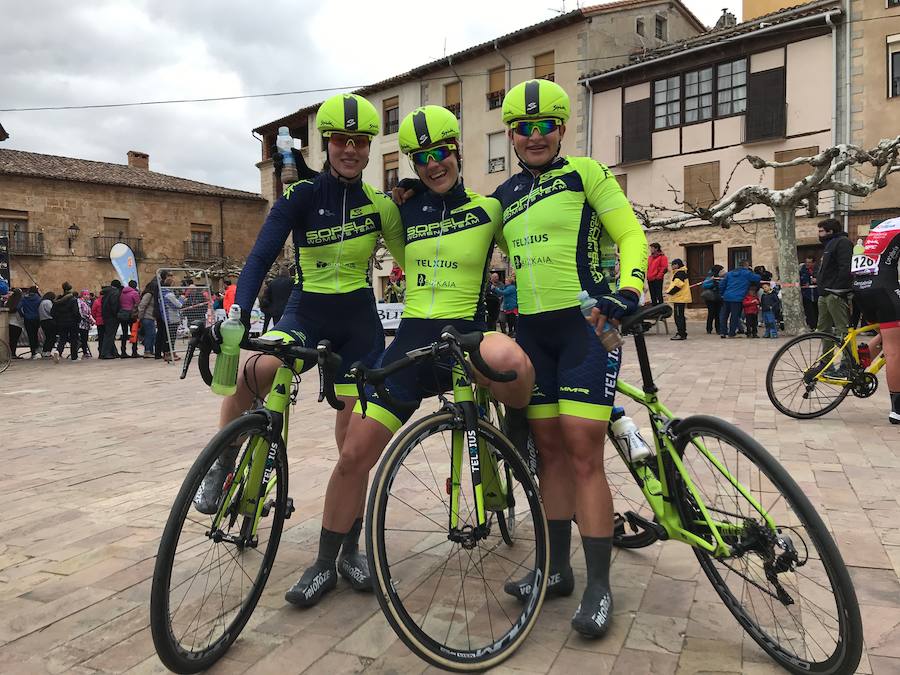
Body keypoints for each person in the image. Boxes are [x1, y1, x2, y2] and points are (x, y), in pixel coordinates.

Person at [282, 104, 533, 609]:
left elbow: (533, 253)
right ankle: (326, 562)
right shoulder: (401, 209)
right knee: (354, 455)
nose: (433, 164)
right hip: (411, 347)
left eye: (441, 153)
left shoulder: (490, 211)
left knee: (517, 368)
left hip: (466, 340)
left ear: (457, 152)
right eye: (421, 158)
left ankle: (521, 436)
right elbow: (353, 199)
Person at [192, 94, 406, 604]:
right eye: (341, 140)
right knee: (257, 371)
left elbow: (409, 260)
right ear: (327, 144)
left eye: (360, 142)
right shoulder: (302, 194)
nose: (350, 150)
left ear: (369, 147)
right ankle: (222, 463)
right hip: (306, 312)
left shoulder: (381, 206)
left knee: (353, 444)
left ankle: (348, 549)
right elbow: (261, 254)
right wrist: (236, 312)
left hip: (359, 325)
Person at [492, 80, 649, 638]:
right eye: (522, 128)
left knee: (584, 451)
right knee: (549, 453)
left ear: (561, 129)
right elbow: (455, 227)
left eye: (545, 126)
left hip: (588, 328)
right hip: (534, 334)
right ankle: (555, 570)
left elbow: (631, 233)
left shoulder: (585, 173)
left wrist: (629, 289)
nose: (534, 137)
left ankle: (600, 585)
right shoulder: (504, 194)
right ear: (510, 134)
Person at [850, 216, 900, 423]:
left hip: (862, 288)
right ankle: (897, 410)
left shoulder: (885, 225)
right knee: (894, 350)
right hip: (882, 288)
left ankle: (856, 369)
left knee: (887, 335)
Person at [815, 218, 853, 346]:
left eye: (821, 231)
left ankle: (847, 363)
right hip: (824, 293)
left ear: (830, 231)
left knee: (842, 329)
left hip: (835, 294)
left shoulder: (843, 242)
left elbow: (845, 268)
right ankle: (826, 362)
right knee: (823, 330)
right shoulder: (829, 245)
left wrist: (837, 290)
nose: (819, 234)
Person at [718, 261, 761, 338]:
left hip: (727, 297)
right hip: (738, 298)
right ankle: (731, 333)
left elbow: (722, 284)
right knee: (734, 316)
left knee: (724, 315)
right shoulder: (747, 273)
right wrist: (751, 271)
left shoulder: (729, 273)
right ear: (746, 266)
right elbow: (757, 278)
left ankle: (723, 332)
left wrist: (722, 294)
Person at [50, 282, 80, 362]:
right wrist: (78, 320)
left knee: (62, 338)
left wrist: (57, 320)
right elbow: (76, 312)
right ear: (70, 289)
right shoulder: (73, 300)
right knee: (74, 339)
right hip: (72, 322)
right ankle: (74, 357)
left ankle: (58, 351)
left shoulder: (57, 300)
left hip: (61, 323)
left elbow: (52, 313)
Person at [260, 266, 293, 333]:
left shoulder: (273, 282)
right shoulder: (291, 282)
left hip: (272, 307)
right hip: (285, 308)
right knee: (282, 325)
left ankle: (264, 335)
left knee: (267, 325)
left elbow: (267, 295)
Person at [666, 258, 691, 340]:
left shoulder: (679, 273)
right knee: (680, 316)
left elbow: (678, 286)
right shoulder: (681, 272)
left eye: (672, 265)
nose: (671, 266)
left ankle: (681, 333)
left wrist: (670, 292)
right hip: (680, 298)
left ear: (676, 265)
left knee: (678, 317)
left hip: (679, 298)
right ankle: (682, 333)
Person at [100, 280, 123, 359]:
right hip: (112, 317)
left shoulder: (107, 292)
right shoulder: (115, 292)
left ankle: (113, 352)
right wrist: (117, 314)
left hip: (106, 316)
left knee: (109, 334)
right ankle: (105, 353)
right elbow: (114, 305)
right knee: (110, 335)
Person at [119, 280, 141, 358]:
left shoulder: (122, 293)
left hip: (122, 314)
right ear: (135, 286)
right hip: (132, 315)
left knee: (124, 334)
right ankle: (134, 351)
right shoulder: (135, 293)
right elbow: (138, 304)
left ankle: (123, 351)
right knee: (134, 333)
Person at [136, 280, 158, 358]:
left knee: (152, 335)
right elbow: (142, 305)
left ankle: (150, 350)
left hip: (150, 317)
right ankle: (147, 351)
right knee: (149, 335)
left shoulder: (151, 294)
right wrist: (140, 317)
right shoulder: (148, 294)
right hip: (147, 317)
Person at [19, 286, 42, 358]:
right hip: (36, 318)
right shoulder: (38, 299)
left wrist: (23, 314)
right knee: (35, 334)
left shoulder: (24, 299)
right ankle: (37, 349)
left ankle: (33, 352)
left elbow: (18, 307)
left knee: (30, 335)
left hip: (27, 319)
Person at [700, 264, 723, 335]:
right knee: (711, 313)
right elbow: (704, 285)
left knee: (718, 314)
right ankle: (709, 329)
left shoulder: (721, 277)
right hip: (710, 298)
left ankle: (718, 329)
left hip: (719, 297)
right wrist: (713, 283)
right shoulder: (710, 277)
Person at [799, 256, 818, 329]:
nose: (808, 264)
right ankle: (812, 326)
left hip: (817, 294)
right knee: (809, 312)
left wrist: (817, 280)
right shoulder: (802, 271)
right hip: (807, 294)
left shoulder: (818, 270)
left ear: (813, 263)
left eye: (810, 262)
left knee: (817, 310)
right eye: (807, 262)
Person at [5, 288, 24, 358]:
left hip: (9, 323)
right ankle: (13, 354)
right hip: (17, 324)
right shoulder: (19, 303)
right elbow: (21, 314)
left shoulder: (9, 302)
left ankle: (10, 354)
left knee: (11, 340)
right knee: (14, 340)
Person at [39, 291, 57, 357]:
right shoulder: (48, 302)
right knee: (52, 337)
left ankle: (44, 351)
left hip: (43, 321)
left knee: (47, 337)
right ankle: (48, 351)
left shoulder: (42, 302)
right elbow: (51, 311)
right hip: (49, 321)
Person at [77, 290, 94, 358]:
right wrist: (91, 320)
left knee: (85, 339)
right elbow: (83, 314)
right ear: (83, 295)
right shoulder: (82, 303)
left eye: (88, 294)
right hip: (82, 324)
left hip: (85, 324)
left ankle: (85, 352)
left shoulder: (85, 302)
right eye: (86, 294)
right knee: (84, 339)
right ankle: (85, 352)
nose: (88, 296)